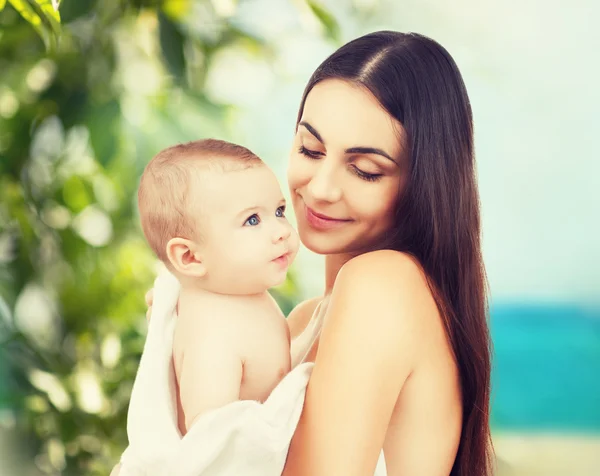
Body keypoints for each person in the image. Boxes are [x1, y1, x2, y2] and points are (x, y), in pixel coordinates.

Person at [141, 30, 493, 475]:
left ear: (421, 186)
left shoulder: (384, 285)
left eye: (365, 171)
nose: (321, 189)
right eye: (310, 148)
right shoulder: (299, 322)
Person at [137, 139, 299, 436]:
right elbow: (211, 445)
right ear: (190, 257)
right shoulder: (211, 334)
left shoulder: (241, 295)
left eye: (278, 211)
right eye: (252, 220)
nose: (282, 232)